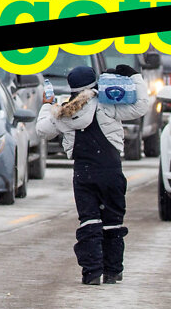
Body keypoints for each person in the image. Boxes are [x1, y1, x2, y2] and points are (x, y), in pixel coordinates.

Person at [36, 63, 147, 285]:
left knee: (89, 221)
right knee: (113, 221)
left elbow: (42, 130)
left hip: (83, 174)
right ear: (95, 84)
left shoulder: (63, 114)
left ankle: (92, 272)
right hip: (111, 171)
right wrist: (135, 77)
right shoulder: (107, 105)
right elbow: (141, 106)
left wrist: (47, 105)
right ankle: (113, 271)